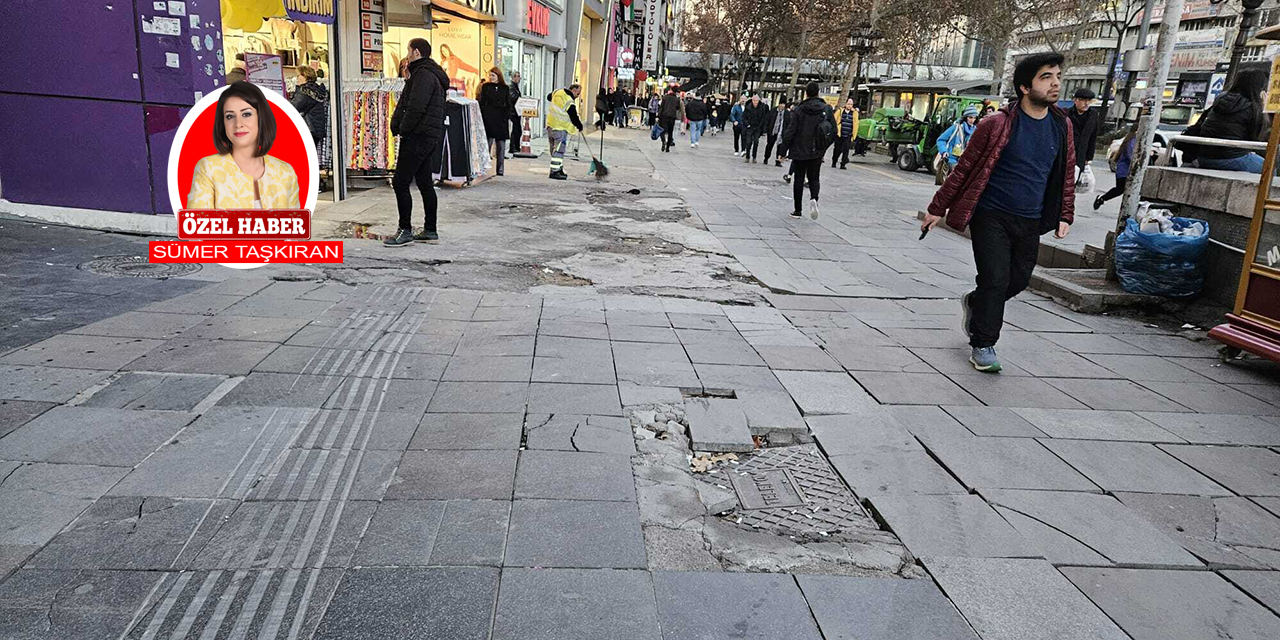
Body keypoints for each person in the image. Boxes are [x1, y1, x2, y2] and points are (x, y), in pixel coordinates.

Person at [922, 52, 1076, 373]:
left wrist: (1065, 214)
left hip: (1031, 218)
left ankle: (977, 304)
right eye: (1046, 77)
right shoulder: (996, 124)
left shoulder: (1062, 126)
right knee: (995, 279)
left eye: (1057, 76)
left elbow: (1066, 172)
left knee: (1017, 280)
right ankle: (983, 343)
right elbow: (964, 169)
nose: (1055, 83)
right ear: (1024, 86)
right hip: (990, 215)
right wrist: (937, 208)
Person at [188, 81, 300, 210]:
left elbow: (294, 227)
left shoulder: (285, 172)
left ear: (261, 117)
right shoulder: (208, 168)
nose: (238, 123)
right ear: (223, 123)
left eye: (246, 114)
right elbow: (198, 226)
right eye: (230, 116)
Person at [384, 39, 450, 247]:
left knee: (401, 182)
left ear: (417, 52)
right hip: (427, 135)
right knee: (424, 182)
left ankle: (405, 230)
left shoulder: (423, 75)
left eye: (409, 50)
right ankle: (430, 229)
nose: (408, 54)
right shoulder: (430, 74)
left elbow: (415, 107)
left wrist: (403, 128)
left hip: (418, 135)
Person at [1194, 67, 1269, 173]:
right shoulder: (1251, 107)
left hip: (1204, 157)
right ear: (1259, 88)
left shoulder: (1221, 99)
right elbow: (1257, 137)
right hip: (1229, 158)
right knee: (1269, 170)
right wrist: (1263, 107)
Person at [781, 82, 836, 219]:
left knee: (798, 179)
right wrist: (823, 148)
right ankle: (814, 198)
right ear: (818, 92)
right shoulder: (827, 109)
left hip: (799, 150)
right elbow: (834, 131)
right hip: (816, 150)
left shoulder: (799, 110)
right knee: (814, 178)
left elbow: (790, 131)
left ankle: (797, 210)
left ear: (806, 93)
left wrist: (783, 150)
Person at [546, 83, 584, 179]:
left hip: (551, 125)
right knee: (559, 151)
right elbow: (573, 116)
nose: (577, 96)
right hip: (560, 128)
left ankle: (559, 169)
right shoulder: (569, 101)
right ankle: (554, 171)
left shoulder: (558, 92)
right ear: (574, 90)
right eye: (578, 94)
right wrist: (579, 125)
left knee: (555, 149)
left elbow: (548, 97)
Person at [478, 67, 511, 176]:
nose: (491, 77)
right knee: (487, 144)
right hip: (489, 118)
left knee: (501, 146)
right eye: (490, 75)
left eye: (493, 75)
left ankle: (500, 169)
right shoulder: (486, 87)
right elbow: (482, 102)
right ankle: (484, 167)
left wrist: (506, 116)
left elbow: (508, 103)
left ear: (498, 76)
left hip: (501, 119)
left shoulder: (505, 88)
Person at [1095, 125, 1136, 210]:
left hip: (1123, 170)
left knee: (1121, 189)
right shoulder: (1132, 141)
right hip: (1124, 171)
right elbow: (1130, 156)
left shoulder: (1130, 140)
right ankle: (1102, 199)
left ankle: (1102, 199)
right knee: (1120, 189)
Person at [934, 105, 978, 184]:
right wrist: (944, 151)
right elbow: (941, 140)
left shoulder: (975, 131)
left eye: (974, 118)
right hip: (952, 159)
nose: (972, 120)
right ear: (965, 117)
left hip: (965, 161)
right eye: (970, 117)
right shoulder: (956, 127)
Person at [290, 66, 328, 149]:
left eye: (299, 75)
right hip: (315, 129)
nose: (297, 78)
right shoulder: (316, 90)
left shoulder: (305, 91)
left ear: (305, 76)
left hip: (307, 128)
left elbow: (293, 107)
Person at [1067, 87, 1098, 176]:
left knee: (1077, 181)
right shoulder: (1067, 114)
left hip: (1081, 155)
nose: (1086, 103)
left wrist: (1089, 157)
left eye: (1089, 100)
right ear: (1075, 100)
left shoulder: (1093, 115)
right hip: (1068, 153)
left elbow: (1093, 136)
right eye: (1083, 100)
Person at [742, 94, 769, 163]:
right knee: (748, 142)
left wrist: (761, 127)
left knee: (756, 142)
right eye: (754, 100)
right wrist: (747, 124)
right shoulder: (748, 107)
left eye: (756, 101)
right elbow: (744, 117)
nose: (755, 102)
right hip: (750, 127)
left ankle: (754, 157)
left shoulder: (762, 107)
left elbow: (763, 118)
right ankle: (747, 156)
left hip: (757, 127)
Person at [832, 98, 858, 169]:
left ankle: (843, 164)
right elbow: (834, 120)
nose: (850, 106)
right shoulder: (840, 111)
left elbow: (856, 124)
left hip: (848, 135)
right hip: (839, 134)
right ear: (845, 104)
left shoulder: (854, 113)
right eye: (849, 104)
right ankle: (834, 161)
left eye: (851, 104)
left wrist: (854, 134)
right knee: (837, 149)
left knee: (846, 150)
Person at [763, 100, 790, 166]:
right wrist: (765, 130)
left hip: (781, 132)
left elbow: (788, 123)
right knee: (769, 145)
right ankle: (766, 158)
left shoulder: (787, 113)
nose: (782, 106)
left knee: (780, 147)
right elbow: (767, 120)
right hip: (772, 131)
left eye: (784, 105)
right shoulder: (773, 111)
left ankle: (778, 161)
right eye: (781, 104)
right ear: (779, 104)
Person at [658, 86, 681, 152]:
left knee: (662, 130)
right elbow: (677, 108)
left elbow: (661, 107)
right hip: (672, 117)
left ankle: (663, 141)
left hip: (664, 116)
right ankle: (668, 147)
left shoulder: (665, 98)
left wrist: (658, 116)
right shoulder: (677, 99)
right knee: (670, 132)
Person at [508, 71, 523, 155]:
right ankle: (513, 147)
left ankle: (516, 147)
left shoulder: (515, 87)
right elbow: (513, 97)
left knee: (518, 130)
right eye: (517, 76)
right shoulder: (511, 87)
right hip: (513, 112)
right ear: (513, 78)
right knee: (516, 130)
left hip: (516, 112)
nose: (519, 78)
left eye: (519, 76)